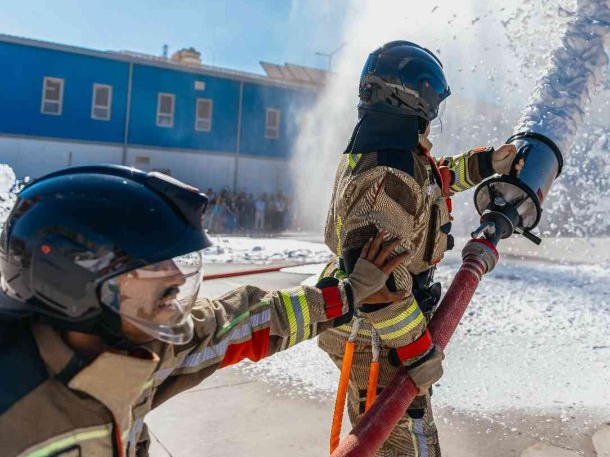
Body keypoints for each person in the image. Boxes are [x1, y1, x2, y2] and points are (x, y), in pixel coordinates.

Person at [0, 165, 404, 457]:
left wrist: (350, 293)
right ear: (74, 282)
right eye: (151, 265)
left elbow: (253, 319)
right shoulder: (15, 411)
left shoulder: (138, 351)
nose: (175, 278)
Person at [316, 40, 517, 456]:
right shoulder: (386, 176)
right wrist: (415, 348)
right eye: (430, 106)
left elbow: (435, 179)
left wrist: (487, 164)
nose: (433, 117)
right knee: (405, 441)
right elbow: (378, 289)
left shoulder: (400, 157)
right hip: (376, 336)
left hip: (386, 328)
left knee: (403, 433)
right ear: (409, 101)